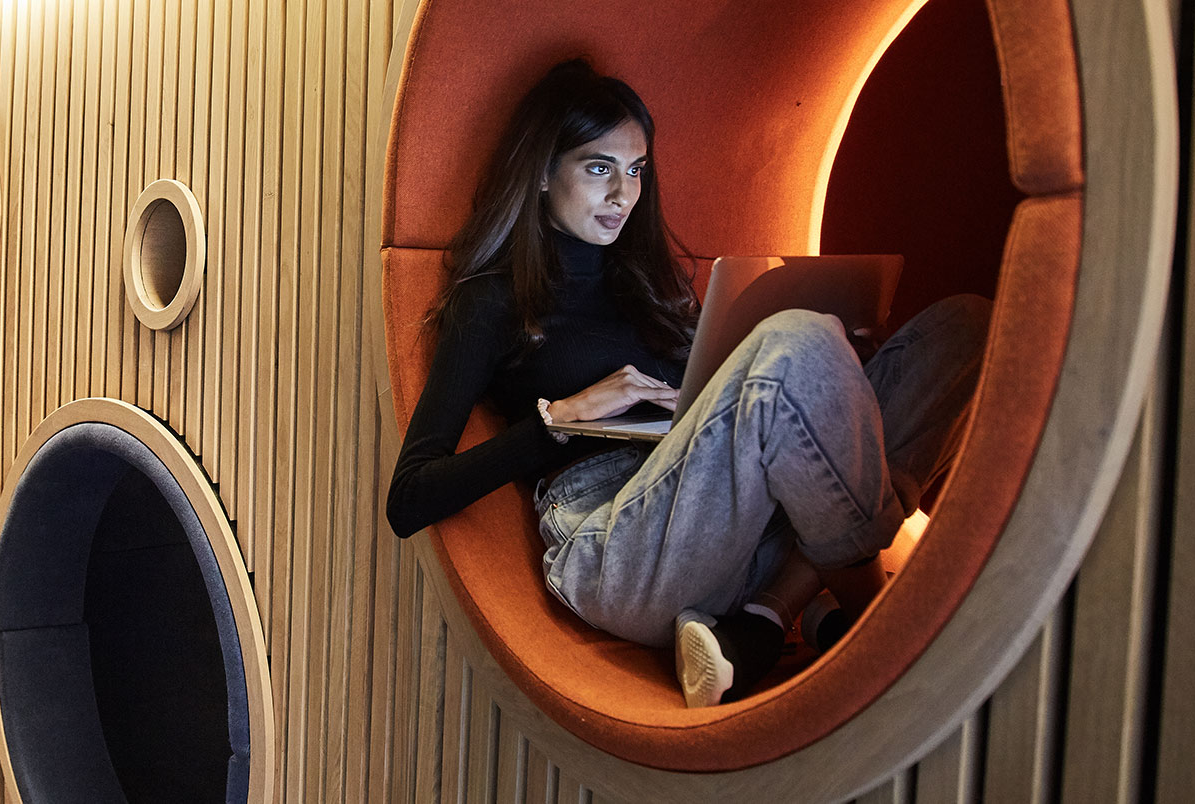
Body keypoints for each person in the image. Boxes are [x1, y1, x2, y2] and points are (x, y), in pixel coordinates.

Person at [384, 58, 989, 707]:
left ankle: (757, 625)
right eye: (599, 167)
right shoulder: (493, 302)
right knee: (798, 341)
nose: (623, 193)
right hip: (613, 541)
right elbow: (409, 499)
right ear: (539, 171)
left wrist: (836, 376)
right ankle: (878, 625)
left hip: (729, 520)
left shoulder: (646, 285)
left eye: (636, 170)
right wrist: (562, 420)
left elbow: (723, 423)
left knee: (964, 328)